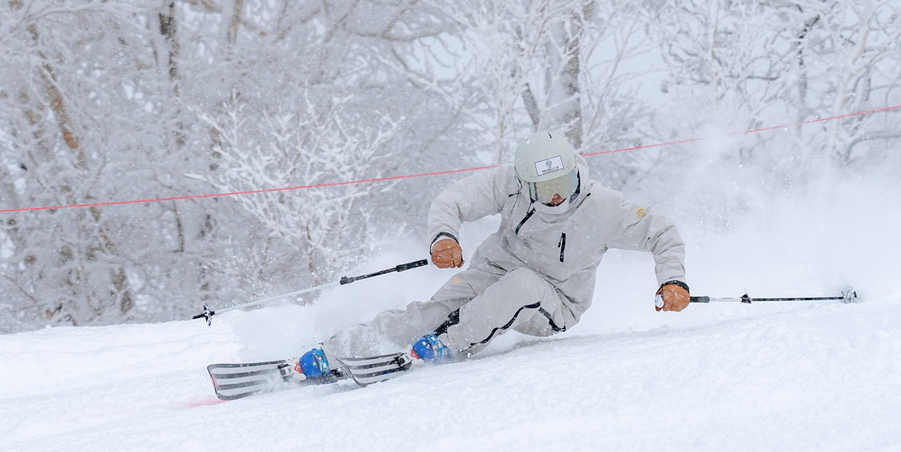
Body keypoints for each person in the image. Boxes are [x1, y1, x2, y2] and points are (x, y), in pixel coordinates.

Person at [293, 131, 689, 378]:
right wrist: (443, 237)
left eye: (562, 180)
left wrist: (673, 280)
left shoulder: (603, 207)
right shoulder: (508, 183)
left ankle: (446, 343)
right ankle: (339, 350)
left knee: (522, 285)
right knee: (431, 311)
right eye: (544, 184)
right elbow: (452, 200)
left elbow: (663, 234)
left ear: (575, 171)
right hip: (495, 270)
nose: (554, 193)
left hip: (555, 303)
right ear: (524, 181)